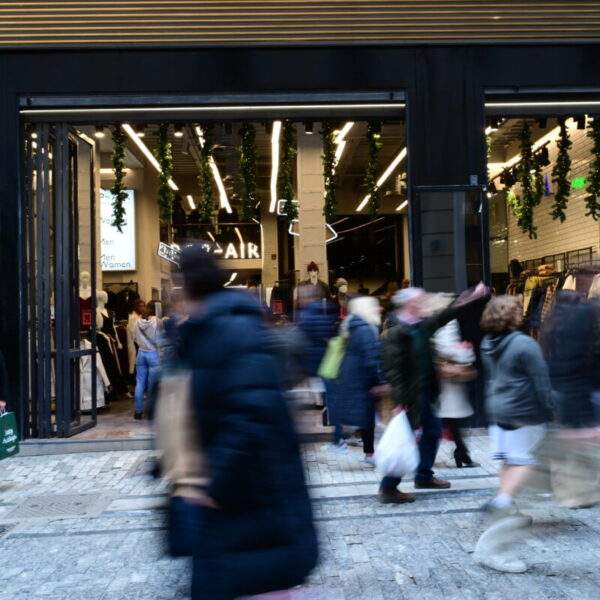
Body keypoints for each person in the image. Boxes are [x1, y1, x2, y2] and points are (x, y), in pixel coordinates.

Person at [177, 245, 318, 600]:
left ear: (188, 285)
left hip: (252, 499)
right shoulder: (212, 328)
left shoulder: (228, 329)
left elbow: (250, 413)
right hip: (242, 502)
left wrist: (214, 482)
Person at [380, 284, 488, 504]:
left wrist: (470, 297)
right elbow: (394, 370)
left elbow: (445, 315)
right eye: (420, 301)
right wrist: (400, 401)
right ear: (409, 304)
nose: (424, 304)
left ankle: (423, 475)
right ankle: (388, 487)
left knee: (432, 431)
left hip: (427, 391)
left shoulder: (420, 325)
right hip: (410, 397)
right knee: (403, 440)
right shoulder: (397, 331)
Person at [475, 295, 553, 573]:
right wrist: (551, 410)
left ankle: (505, 499)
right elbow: (541, 382)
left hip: (497, 408)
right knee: (527, 460)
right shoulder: (525, 344)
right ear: (515, 316)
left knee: (510, 459)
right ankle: (502, 501)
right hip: (523, 411)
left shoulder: (487, 343)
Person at [333, 296, 386, 464]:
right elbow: (371, 357)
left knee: (366, 416)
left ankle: (367, 452)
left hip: (354, 377)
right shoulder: (366, 329)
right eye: (375, 306)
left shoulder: (353, 326)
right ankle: (368, 453)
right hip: (363, 379)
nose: (380, 309)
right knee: (367, 417)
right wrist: (378, 381)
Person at [434, 318, 478, 468]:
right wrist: (464, 353)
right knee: (448, 421)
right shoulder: (445, 322)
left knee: (451, 421)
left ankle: (462, 453)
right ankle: (462, 454)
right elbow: (446, 348)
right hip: (446, 385)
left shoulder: (444, 321)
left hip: (448, 385)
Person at [133, 301, 162, 420]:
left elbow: (134, 338)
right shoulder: (158, 321)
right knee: (152, 385)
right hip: (153, 354)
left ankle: (138, 412)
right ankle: (151, 412)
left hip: (141, 353)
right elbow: (161, 339)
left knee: (139, 383)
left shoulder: (137, 322)